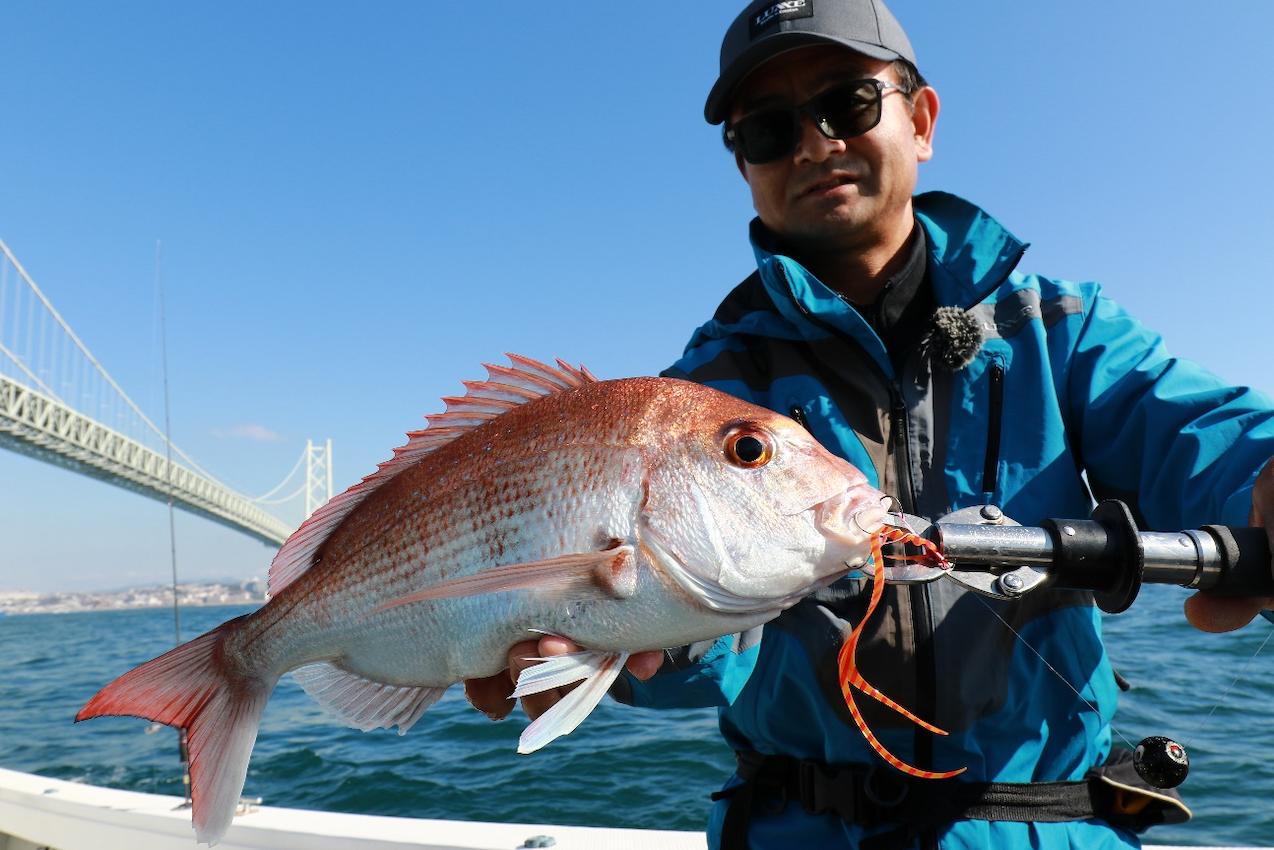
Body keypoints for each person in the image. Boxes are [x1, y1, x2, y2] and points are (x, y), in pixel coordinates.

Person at [466, 1, 1274, 847]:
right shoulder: (705, 395)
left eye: (848, 103)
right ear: (742, 165)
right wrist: (625, 645)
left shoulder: (1055, 329)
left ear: (920, 120)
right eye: (769, 130)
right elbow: (693, 652)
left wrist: (1266, 479)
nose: (814, 145)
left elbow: (1202, 431)